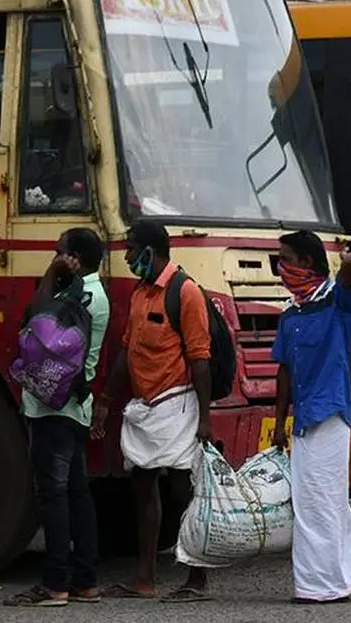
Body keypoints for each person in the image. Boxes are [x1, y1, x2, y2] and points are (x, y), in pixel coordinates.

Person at [270, 230, 351, 603]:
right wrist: (279, 423)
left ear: (306, 262)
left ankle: (319, 586)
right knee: (314, 497)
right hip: (305, 417)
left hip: (330, 413)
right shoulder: (291, 312)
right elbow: (284, 371)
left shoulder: (335, 303)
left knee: (317, 502)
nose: (280, 267)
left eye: (285, 258)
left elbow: (347, 283)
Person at [94, 220, 213, 604]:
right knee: (143, 486)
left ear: (150, 250)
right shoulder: (140, 293)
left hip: (178, 402)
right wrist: (106, 399)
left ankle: (197, 578)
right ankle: (144, 578)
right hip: (146, 407)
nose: (126, 256)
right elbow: (129, 352)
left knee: (183, 491)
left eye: (131, 248)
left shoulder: (186, 291)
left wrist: (206, 420)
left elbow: (200, 359)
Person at [4, 228, 109, 608]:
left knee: (53, 496)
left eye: (59, 252)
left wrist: (50, 276)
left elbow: (33, 319)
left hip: (55, 409)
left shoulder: (77, 295)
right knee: (78, 495)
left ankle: (54, 584)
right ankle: (86, 581)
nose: (54, 257)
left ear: (74, 258)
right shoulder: (95, 293)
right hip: (75, 407)